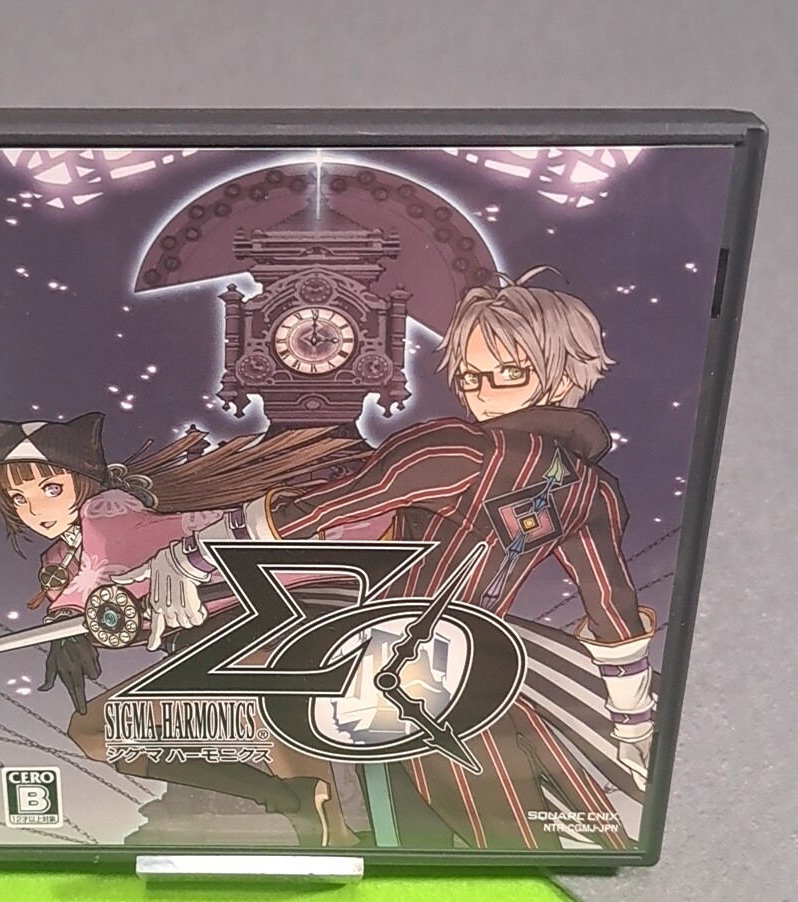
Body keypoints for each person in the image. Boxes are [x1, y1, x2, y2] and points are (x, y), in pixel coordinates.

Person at [123, 268, 655, 850]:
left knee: (453, 838)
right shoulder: (592, 490)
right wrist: (632, 723)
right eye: (470, 375)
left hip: (396, 678)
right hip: (483, 680)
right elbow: (614, 617)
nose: (482, 393)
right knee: (525, 840)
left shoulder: (458, 448)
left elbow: (315, 511)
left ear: (566, 372)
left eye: (508, 373)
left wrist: (193, 556)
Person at [0, 413, 369, 846]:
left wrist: (68, 622)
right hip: (208, 647)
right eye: (18, 498)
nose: (35, 510)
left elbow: (103, 566)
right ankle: (285, 799)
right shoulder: (60, 558)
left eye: (51, 489)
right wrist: (65, 626)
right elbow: (87, 593)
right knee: (93, 732)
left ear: (85, 480)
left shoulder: (107, 513)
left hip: (279, 614)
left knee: (259, 692)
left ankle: (320, 821)